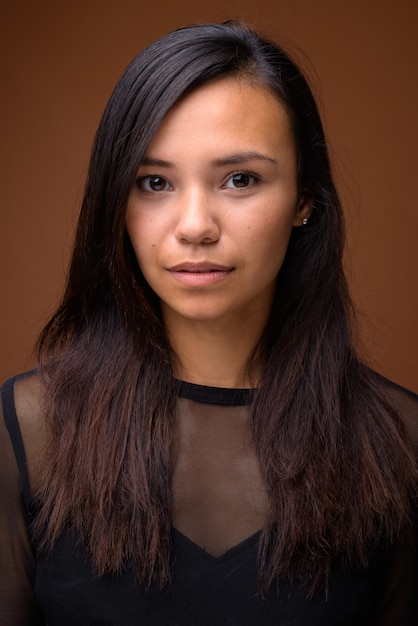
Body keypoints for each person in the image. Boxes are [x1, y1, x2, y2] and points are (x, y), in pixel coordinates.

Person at [1, 20, 417, 626]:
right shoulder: (25, 432)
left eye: (240, 179)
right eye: (154, 183)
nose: (195, 225)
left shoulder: (400, 448)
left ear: (305, 198)